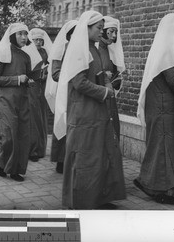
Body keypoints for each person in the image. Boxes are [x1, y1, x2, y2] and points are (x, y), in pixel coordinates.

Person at [54, 11, 126, 209]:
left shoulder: (93, 49)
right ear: (87, 28)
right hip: (84, 111)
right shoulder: (79, 50)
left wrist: (110, 83)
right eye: (99, 28)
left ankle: (97, 198)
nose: (101, 32)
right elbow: (79, 82)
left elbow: (100, 73)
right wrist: (105, 91)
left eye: (102, 28)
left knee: (99, 155)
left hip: (96, 110)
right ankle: (81, 200)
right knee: (85, 157)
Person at [135, 13, 174, 205]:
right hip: (163, 106)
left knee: (162, 147)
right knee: (165, 148)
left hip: (161, 105)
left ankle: (156, 184)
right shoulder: (166, 51)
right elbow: (172, 80)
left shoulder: (161, 49)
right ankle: (158, 187)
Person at [0, 23, 31, 182]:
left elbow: (25, 78)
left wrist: (28, 81)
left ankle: (16, 169)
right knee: (8, 135)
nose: (24, 37)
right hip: (6, 101)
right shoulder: (3, 53)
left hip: (22, 100)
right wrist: (17, 79)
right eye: (20, 34)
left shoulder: (25, 56)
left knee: (21, 135)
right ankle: (2, 163)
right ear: (13, 36)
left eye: (26, 34)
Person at [44, 20, 77, 173]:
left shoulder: (82, 49)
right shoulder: (60, 50)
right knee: (62, 124)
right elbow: (56, 74)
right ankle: (60, 160)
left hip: (77, 93)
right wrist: (73, 77)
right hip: (64, 93)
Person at [26, 28, 52, 162]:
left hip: (43, 85)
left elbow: (49, 66)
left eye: (40, 40)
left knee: (42, 116)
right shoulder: (28, 52)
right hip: (31, 86)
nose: (38, 42)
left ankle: (40, 148)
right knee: (33, 116)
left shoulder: (45, 52)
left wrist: (46, 73)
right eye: (35, 39)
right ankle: (32, 150)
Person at [98, 16, 126, 139]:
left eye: (116, 32)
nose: (114, 36)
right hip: (98, 97)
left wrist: (116, 78)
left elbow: (116, 72)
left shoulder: (111, 51)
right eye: (111, 32)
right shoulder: (95, 49)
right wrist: (104, 75)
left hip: (110, 96)